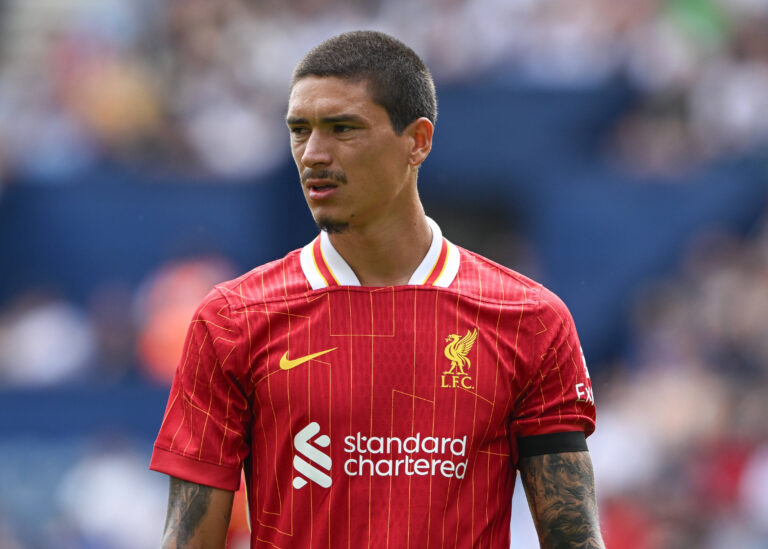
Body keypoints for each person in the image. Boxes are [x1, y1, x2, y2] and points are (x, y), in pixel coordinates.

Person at [150, 30, 604, 548]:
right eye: (299, 130)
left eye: (342, 128)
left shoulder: (529, 319)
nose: (313, 154)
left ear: (418, 141)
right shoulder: (232, 320)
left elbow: (574, 539)